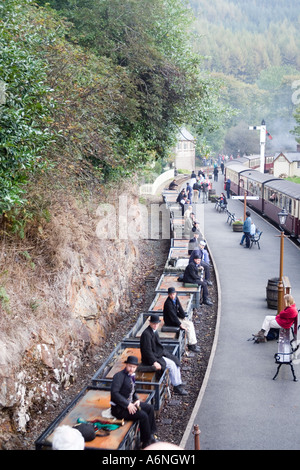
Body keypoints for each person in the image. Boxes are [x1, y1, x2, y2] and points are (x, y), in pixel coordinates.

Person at [110, 355, 157, 449]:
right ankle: (145, 442)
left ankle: (151, 435)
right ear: (126, 365)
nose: (131, 369)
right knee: (143, 415)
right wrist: (128, 405)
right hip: (119, 409)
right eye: (130, 366)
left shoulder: (131, 376)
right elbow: (114, 394)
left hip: (130, 403)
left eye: (134, 367)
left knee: (149, 408)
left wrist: (136, 400)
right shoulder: (118, 376)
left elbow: (133, 391)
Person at [140, 314, 188, 396]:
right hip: (152, 358)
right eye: (153, 323)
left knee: (175, 360)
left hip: (158, 353)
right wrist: (154, 362)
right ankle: (176, 386)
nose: (155, 325)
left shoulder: (153, 331)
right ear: (150, 323)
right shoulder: (146, 334)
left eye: (156, 323)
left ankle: (178, 382)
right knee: (171, 365)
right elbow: (147, 351)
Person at [163, 287, 200, 353]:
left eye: (173, 294)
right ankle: (191, 345)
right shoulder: (168, 304)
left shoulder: (175, 299)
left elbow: (180, 308)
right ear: (168, 295)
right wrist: (180, 324)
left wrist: (183, 316)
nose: (172, 296)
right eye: (171, 294)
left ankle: (193, 343)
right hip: (170, 321)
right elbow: (172, 316)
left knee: (190, 323)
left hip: (175, 317)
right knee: (188, 325)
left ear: (176, 293)